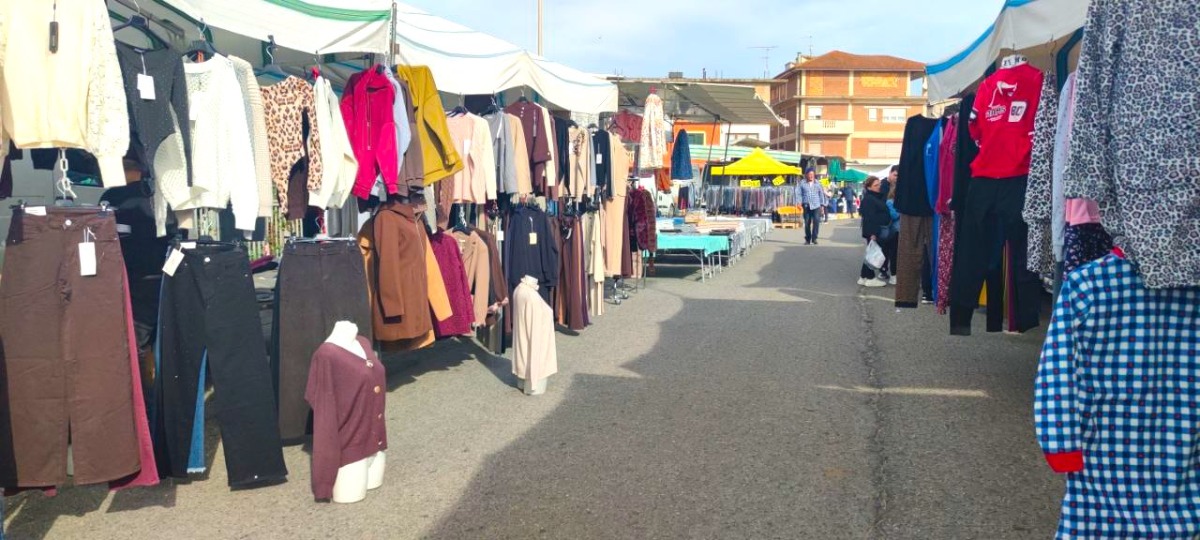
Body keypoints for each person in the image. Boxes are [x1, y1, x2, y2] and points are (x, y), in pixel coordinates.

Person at [858, 176, 893, 287]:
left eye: (879, 184)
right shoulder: (869, 199)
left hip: (876, 230)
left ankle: (863, 276)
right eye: (876, 185)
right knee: (873, 254)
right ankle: (870, 277)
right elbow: (870, 218)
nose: (879, 187)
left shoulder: (874, 198)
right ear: (869, 187)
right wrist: (873, 233)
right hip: (874, 231)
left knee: (870, 253)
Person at [798, 169, 827, 245]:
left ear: (814, 175)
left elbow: (821, 194)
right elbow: (798, 194)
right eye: (809, 174)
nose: (811, 176)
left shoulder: (818, 183)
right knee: (807, 222)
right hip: (806, 205)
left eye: (812, 174)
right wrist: (799, 203)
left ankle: (814, 238)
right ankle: (808, 239)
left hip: (816, 205)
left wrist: (822, 205)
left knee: (816, 221)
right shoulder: (802, 183)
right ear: (806, 175)